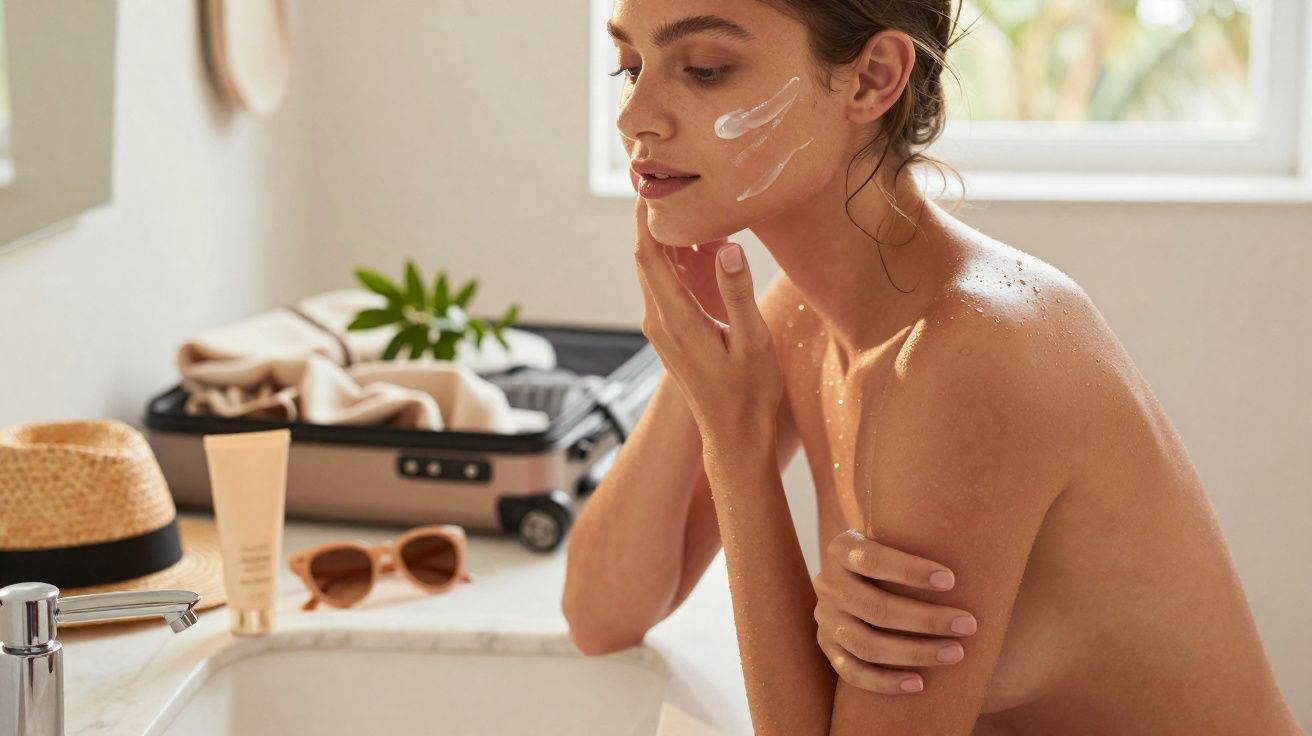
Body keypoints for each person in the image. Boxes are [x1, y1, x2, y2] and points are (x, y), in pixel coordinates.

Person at [562, 1, 1304, 734]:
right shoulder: (809, 317)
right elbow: (601, 613)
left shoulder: (971, 358)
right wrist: (694, 363)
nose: (635, 118)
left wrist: (737, 443)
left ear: (872, 79)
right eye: (629, 65)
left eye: (704, 70)